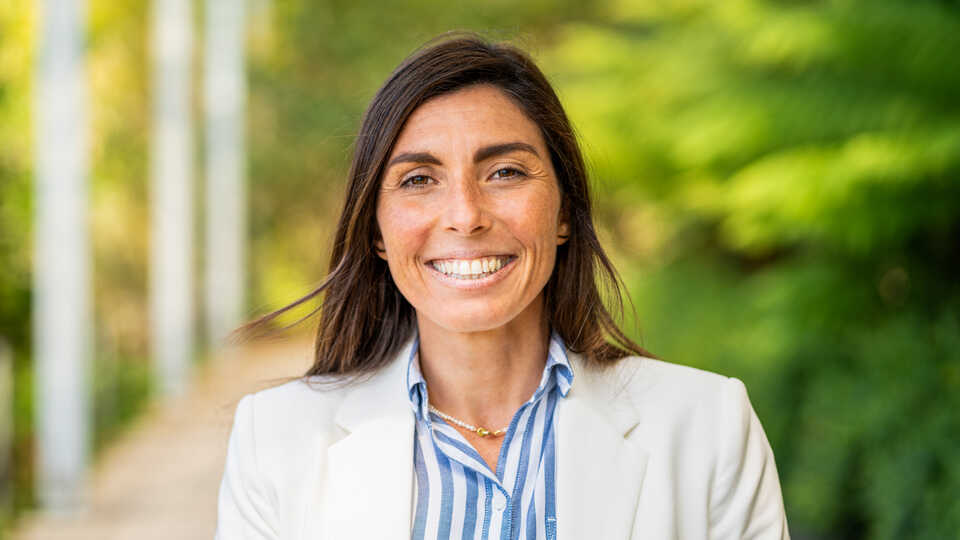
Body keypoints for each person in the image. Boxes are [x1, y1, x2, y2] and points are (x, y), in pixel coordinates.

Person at [215, 33, 790, 540]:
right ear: (377, 233)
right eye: (419, 179)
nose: (465, 215)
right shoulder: (276, 441)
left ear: (564, 210)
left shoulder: (708, 426)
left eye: (505, 172)